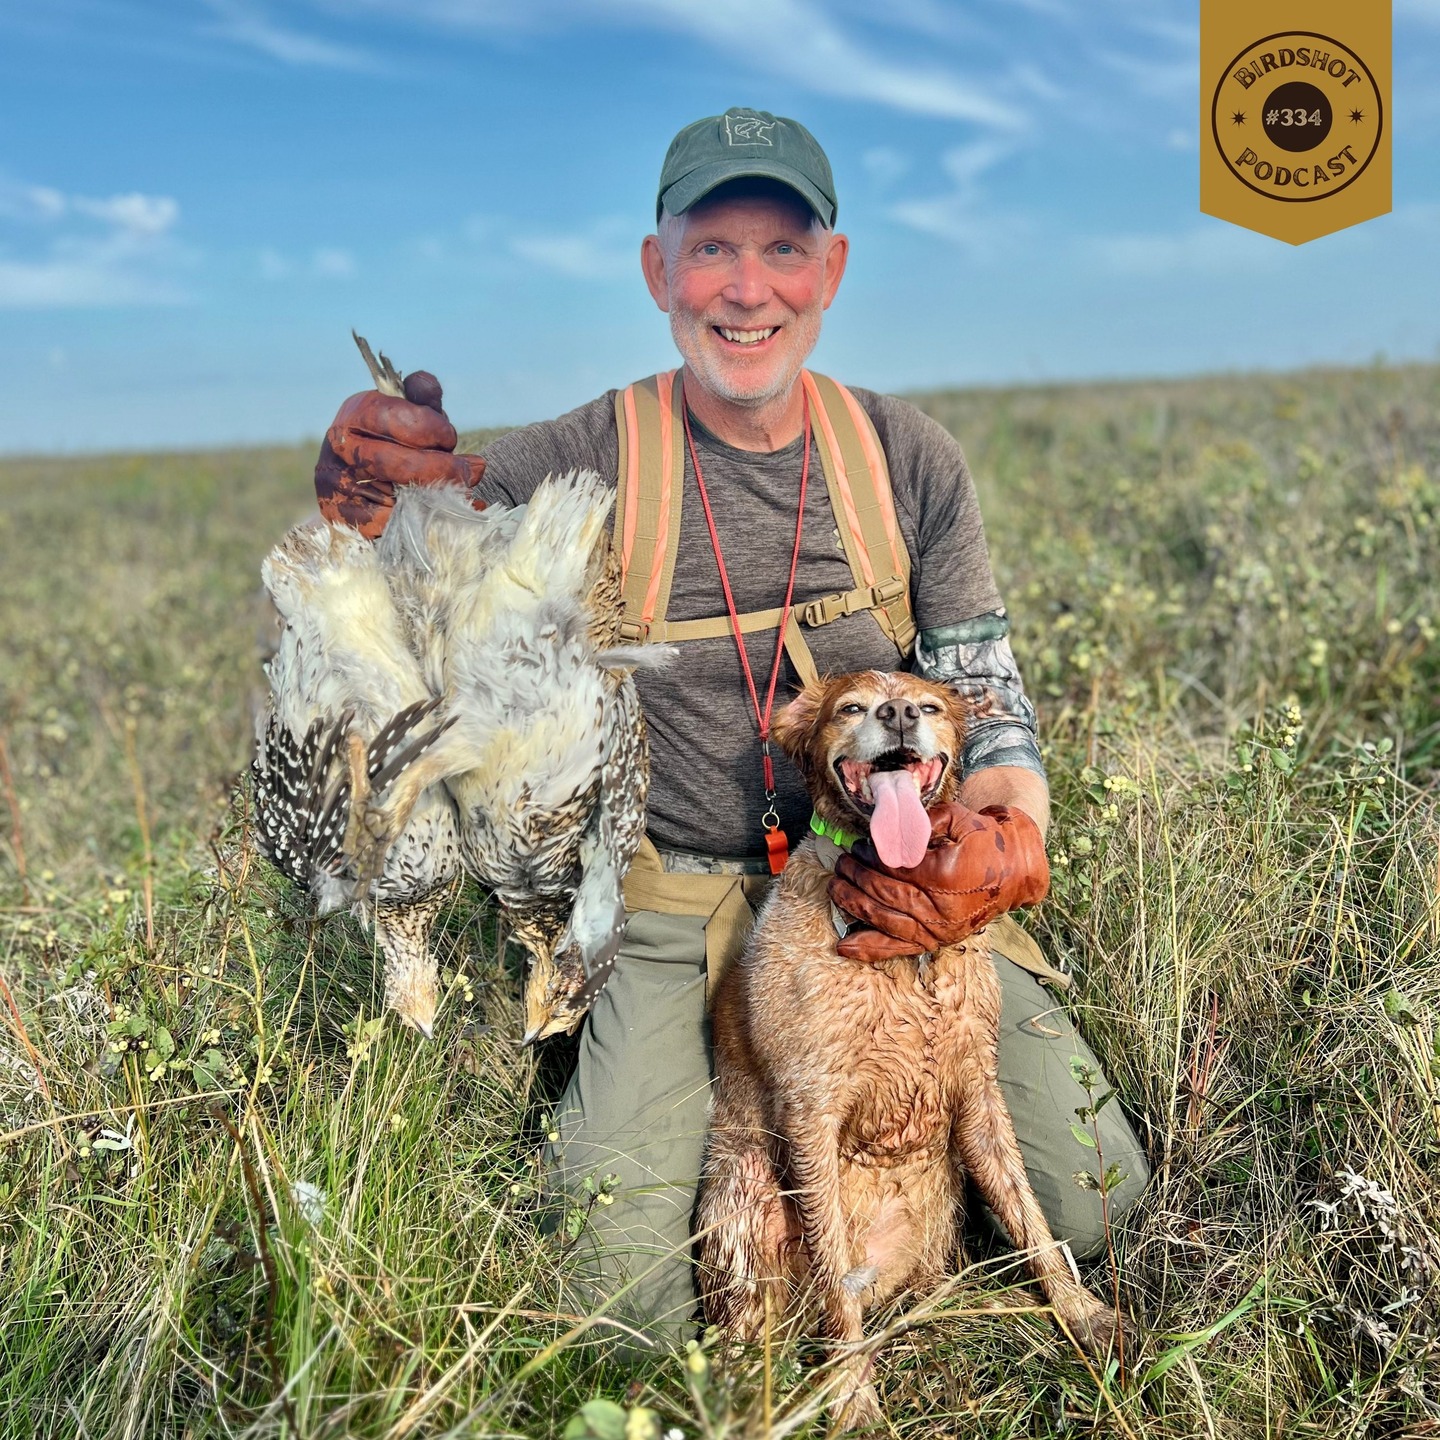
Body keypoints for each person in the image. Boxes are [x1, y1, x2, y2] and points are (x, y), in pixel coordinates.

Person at [313, 107, 1149, 1344]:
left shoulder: (907, 459)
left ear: (831, 271)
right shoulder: (585, 454)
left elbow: (992, 699)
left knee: (1100, 1202)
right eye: (711, 250)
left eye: (781, 250)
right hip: (679, 899)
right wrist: (370, 500)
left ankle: (885, 1195)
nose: (746, 290)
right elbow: (416, 553)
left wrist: (1000, 851)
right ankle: (702, 1124)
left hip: (884, 893)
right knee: (618, 1302)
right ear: (658, 271)